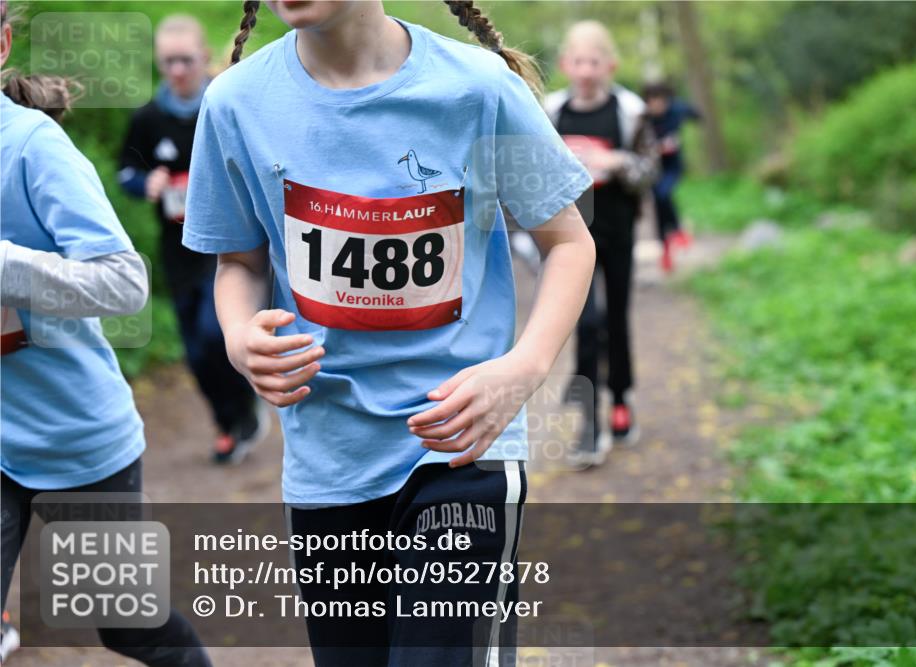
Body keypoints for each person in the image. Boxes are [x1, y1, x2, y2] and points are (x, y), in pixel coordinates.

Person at [181, 1, 595, 665]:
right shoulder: (235, 103)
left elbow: (568, 242)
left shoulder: (477, 88)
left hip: (462, 450)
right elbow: (239, 261)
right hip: (330, 462)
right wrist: (238, 333)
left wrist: (523, 368)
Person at [0, 2, 211, 664]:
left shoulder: (30, 146)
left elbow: (122, 282)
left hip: (73, 438)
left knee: (127, 624)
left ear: (2, 43)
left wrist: (6, 266)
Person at [118, 14, 266, 465]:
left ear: (203, 57)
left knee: (214, 330)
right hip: (177, 250)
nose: (178, 70)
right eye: (168, 62)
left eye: (185, 60)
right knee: (196, 352)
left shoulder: (224, 105)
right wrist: (147, 185)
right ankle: (229, 421)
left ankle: (245, 408)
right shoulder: (149, 118)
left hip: (228, 245)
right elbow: (126, 171)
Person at [544, 20, 660, 465]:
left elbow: (650, 169)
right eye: (578, 61)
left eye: (595, 61)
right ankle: (589, 423)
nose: (586, 70)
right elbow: (535, 170)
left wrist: (616, 162)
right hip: (571, 238)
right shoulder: (552, 112)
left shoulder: (628, 111)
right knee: (586, 324)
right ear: (565, 64)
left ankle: (621, 398)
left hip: (618, 231)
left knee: (616, 319)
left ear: (609, 64)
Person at [642, 81, 700, 272]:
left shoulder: (676, 111)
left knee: (663, 194)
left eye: (661, 101)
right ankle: (665, 246)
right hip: (652, 169)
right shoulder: (643, 118)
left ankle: (678, 231)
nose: (657, 106)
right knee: (658, 205)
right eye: (653, 102)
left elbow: (694, 113)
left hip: (672, 167)